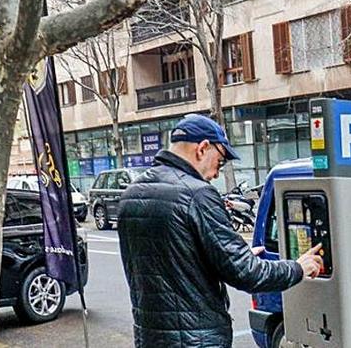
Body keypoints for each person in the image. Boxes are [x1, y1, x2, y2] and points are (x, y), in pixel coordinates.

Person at [117, 114, 323, 347]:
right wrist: (298, 268)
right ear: (203, 148)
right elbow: (246, 274)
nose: (216, 173)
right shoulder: (197, 194)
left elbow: (172, 265)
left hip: (150, 337)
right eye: (220, 161)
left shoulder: (132, 194)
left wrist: (229, 259)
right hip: (198, 339)